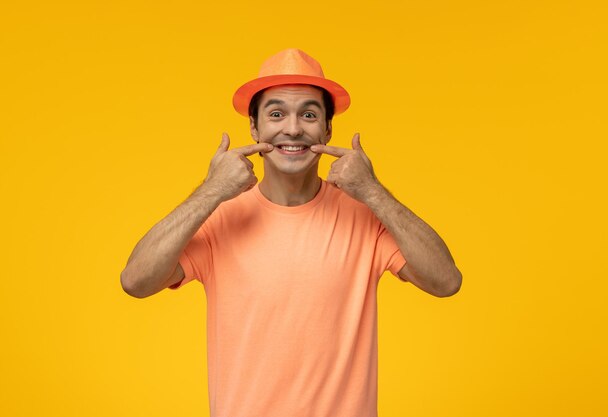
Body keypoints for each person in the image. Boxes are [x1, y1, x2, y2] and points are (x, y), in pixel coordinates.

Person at [121, 48, 462, 417]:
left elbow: (446, 281)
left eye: (309, 114)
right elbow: (136, 281)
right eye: (277, 113)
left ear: (328, 129)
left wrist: (373, 192)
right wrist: (211, 191)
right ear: (254, 127)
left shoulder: (365, 215)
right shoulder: (221, 216)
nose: (294, 128)